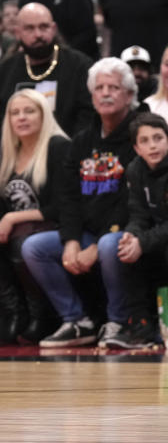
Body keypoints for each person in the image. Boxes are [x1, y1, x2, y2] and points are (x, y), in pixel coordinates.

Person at [20, 58, 140, 348]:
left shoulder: (138, 135)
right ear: (91, 96)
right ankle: (76, 320)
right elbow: (68, 197)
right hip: (86, 233)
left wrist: (96, 246)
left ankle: (118, 321)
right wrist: (71, 240)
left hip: (122, 231)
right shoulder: (83, 140)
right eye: (99, 88)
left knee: (112, 245)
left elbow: (132, 201)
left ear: (128, 95)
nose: (106, 93)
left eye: (113, 87)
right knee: (34, 247)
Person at [97, 111, 168, 349]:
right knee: (125, 248)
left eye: (158, 138)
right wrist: (132, 234)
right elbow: (138, 213)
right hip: (160, 236)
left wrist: (143, 241)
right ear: (136, 148)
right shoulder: (135, 170)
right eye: (145, 141)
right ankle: (140, 327)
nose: (153, 146)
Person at [0, 89, 69, 344]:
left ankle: (39, 315)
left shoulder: (58, 147)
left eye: (29, 111)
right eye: (15, 113)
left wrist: (11, 219)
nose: (22, 118)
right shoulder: (7, 153)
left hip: (55, 228)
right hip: (19, 229)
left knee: (22, 241)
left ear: (43, 115)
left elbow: (64, 206)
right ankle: (13, 313)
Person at [0, 3, 95, 137]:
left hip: (66, 151)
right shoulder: (6, 70)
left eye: (43, 27)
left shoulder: (79, 66)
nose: (38, 34)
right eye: (29, 28)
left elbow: (88, 118)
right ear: (17, 33)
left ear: (54, 29)